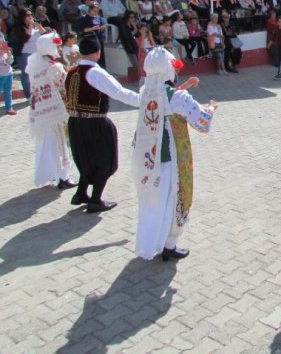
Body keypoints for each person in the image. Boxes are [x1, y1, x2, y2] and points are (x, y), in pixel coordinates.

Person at [133, 47, 217, 260]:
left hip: (147, 160)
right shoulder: (177, 97)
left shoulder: (145, 92)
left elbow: (164, 104)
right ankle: (169, 243)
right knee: (174, 199)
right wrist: (211, 108)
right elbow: (202, 122)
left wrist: (183, 88)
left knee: (153, 202)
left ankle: (153, 241)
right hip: (172, 159)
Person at [65, 34, 140, 212]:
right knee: (105, 161)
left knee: (85, 158)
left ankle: (81, 193)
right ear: (98, 52)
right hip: (95, 123)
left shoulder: (71, 71)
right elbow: (120, 93)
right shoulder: (95, 73)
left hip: (75, 122)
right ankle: (95, 199)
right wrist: (146, 101)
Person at [26, 33, 77, 190]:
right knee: (59, 143)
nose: (59, 49)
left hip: (41, 111)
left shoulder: (35, 65)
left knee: (46, 143)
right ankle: (63, 177)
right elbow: (65, 82)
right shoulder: (53, 67)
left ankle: (52, 174)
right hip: (55, 112)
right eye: (57, 46)